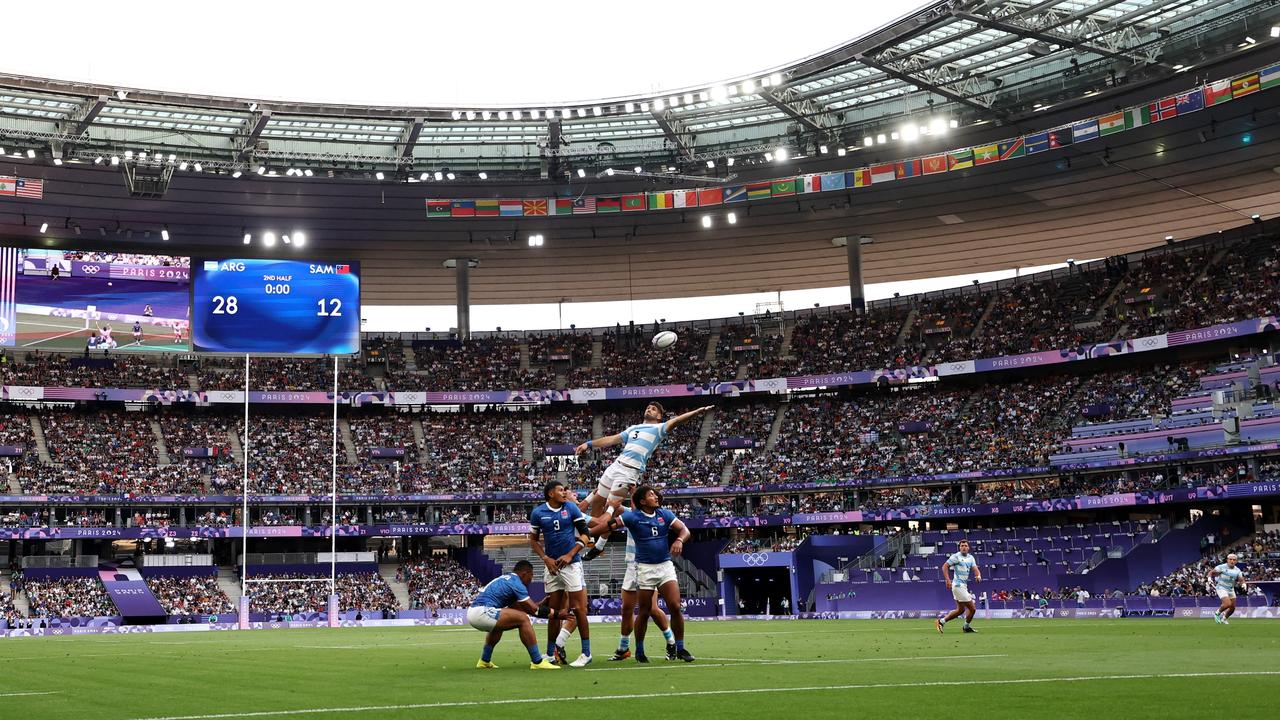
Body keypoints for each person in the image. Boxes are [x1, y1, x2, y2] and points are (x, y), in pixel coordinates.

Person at [574, 402, 713, 557]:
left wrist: (698, 411)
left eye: (654, 409)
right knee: (599, 501)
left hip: (628, 472)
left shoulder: (659, 429)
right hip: (615, 466)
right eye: (648, 407)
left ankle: (598, 543)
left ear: (659, 416)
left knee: (611, 509)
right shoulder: (633, 428)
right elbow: (611, 439)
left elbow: (677, 421)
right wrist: (588, 444)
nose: (649, 409)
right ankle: (592, 537)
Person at [591, 484, 695, 662]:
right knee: (645, 611)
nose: (655, 497)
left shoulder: (665, 514)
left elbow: (684, 530)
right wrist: (587, 535)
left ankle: (680, 647)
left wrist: (679, 540)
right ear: (642, 501)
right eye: (651, 494)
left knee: (675, 606)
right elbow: (608, 526)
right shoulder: (632, 516)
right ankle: (639, 650)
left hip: (665, 565)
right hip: (644, 568)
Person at [528, 480, 592, 667]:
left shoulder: (571, 508)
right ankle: (550, 654)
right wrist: (545, 559)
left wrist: (570, 554)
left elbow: (585, 535)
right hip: (552, 567)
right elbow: (533, 540)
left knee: (579, 609)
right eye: (561, 490)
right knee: (554, 612)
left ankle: (586, 653)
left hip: (572, 565)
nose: (564, 493)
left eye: (565, 490)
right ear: (550, 494)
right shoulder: (538, 513)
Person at [467, 559, 562, 670]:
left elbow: (520, 608)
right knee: (524, 619)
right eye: (531, 576)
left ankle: (484, 660)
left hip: (475, 612)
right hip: (482, 612)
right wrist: (558, 614)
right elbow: (533, 611)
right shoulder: (516, 583)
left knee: (500, 625)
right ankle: (537, 661)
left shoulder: (507, 579)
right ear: (524, 574)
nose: (531, 580)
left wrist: (540, 604)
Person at [937, 539, 982, 634]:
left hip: (963, 586)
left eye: (965, 545)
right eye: (962, 546)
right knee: (972, 609)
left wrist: (978, 576)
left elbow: (975, 569)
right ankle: (966, 627)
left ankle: (941, 622)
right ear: (959, 547)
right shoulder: (956, 556)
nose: (964, 547)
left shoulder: (971, 558)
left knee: (960, 610)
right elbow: (945, 566)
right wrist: (947, 580)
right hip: (958, 585)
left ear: (968, 548)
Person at [1209, 553, 1246, 625]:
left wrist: (1244, 584)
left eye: (1234, 560)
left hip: (1231, 589)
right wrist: (1209, 579)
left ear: (1236, 561)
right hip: (1221, 587)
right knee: (1227, 603)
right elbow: (1211, 572)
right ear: (1227, 560)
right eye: (1230, 559)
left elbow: (1241, 579)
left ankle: (1224, 619)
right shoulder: (1221, 567)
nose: (1232, 561)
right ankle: (1217, 613)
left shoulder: (1237, 570)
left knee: (1232, 608)